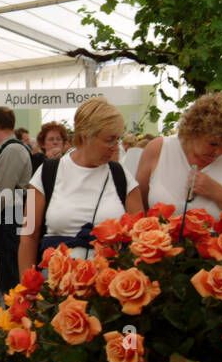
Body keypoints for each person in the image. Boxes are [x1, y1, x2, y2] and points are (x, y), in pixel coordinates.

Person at [19, 98, 142, 273]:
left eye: (118, 140)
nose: (115, 148)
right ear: (86, 136)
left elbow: (140, 237)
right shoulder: (47, 173)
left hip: (110, 291)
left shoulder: (121, 177)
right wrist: (28, 287)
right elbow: (29, 236)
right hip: (56, 290)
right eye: (110, 140)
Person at [136, 95, 222, 222]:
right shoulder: (159, 148)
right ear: (193, 132)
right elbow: (138, 207)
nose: (218, 152)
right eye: (212, 144)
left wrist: (219, 193)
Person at [0, 106, 34, 295]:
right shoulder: (8, 149)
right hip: (8, 219)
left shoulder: (12, 150)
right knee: (6, 275)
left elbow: (2, 190)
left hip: (11, 221)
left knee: (11, 277)